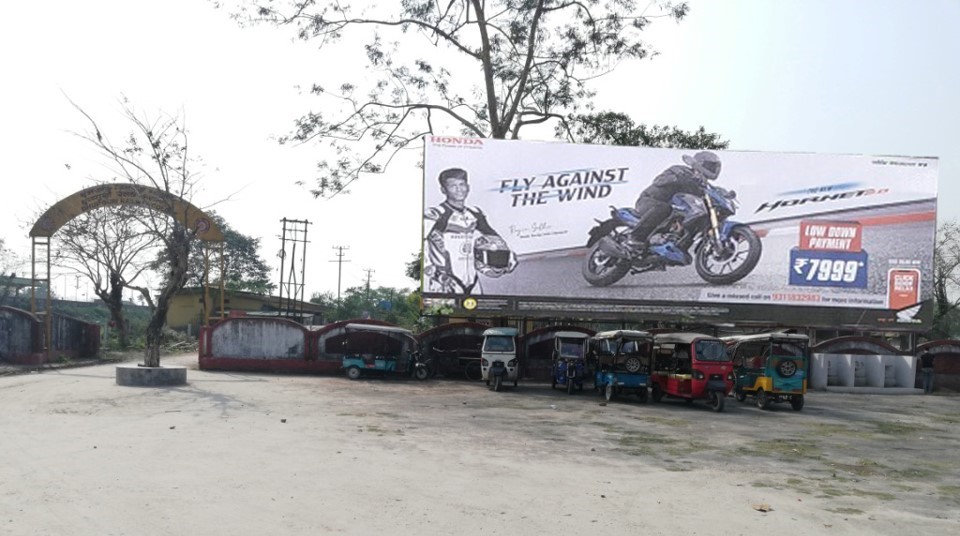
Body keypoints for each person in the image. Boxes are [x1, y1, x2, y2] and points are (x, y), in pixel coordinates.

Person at [424, 167, 517, 294]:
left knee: (480, 313)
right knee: (443, 314)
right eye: (453, 186)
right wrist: (434, 273)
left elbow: (493, 237)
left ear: (468, 187)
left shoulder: (475, 213)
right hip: (445, 282)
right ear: (443, 190)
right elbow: (419, 244)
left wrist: (509, 254)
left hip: (473, 283)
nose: (459, 189)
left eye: (462, 184)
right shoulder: (436, 214)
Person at [629, 151, 726, 248]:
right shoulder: (680, 170)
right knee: (664, 208)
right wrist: (679, 178)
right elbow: (658, 181)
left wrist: (723, 194)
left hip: (673, 212)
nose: (713, 169)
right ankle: (635, 238)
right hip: (649, 200)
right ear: (701, 163)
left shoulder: (702, 184)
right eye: (711, 166)